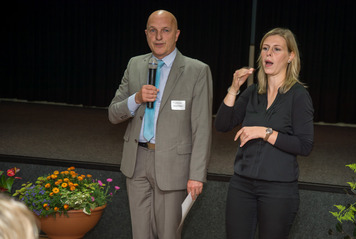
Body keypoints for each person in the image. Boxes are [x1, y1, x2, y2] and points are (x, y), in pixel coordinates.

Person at [108, 10, 213, 239]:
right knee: (140, 234)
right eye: (153, 31)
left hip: (173, 165)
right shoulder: (135, 64)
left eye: (165, 31)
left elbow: (202, 129)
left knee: (167, 234)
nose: (158, 37)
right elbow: (113, 114)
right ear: (146, 34)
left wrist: (197, 174)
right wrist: (136, 99)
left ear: (176, 34)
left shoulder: (197, 71)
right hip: (136, 162)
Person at [215, 28, 314, 239]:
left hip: (278, 190)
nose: (268, 53)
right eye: (265, 49)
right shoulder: (253, 92)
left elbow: (304, 145)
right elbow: (222, 124)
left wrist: (265, 132)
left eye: (277, 49)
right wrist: (234, 88)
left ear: (290, 56)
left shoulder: (298, 96)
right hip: (241, 186)